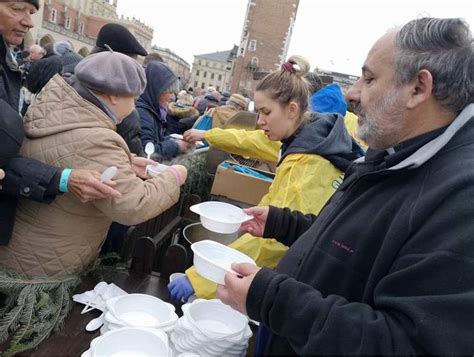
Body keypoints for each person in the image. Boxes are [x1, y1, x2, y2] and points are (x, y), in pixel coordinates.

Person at [217, 17, 474, 355]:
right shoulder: (390, 155)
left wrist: (273, 299)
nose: (351, 93)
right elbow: (351, 245)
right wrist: (283, 224)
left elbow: (408, 344)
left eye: (368, 78)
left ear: (418, 89)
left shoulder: (461, 200)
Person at [171, 56, 364, 301]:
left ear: (292, 109)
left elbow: (274, 244)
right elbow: (252, 140)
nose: (259, 121)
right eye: (258, 111)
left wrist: (201, 279)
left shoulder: (308, 164)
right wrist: (208, 135)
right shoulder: (307, 136)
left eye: (266, 112)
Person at [0, 50, 188, 278]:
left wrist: (126, 161)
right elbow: (132, 205)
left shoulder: (53, 109)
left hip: (24, 248)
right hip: (48, 264)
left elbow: (65, 151)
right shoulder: (98, 139)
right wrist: (175, 176)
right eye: (134, 99)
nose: (133, 107)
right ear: (114, 96)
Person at [0, 1, 120, 245]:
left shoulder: (6, 63)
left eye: (31, 12)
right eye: (16, 8)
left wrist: (61, 178)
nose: (29, 21)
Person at [137, 61, 191, 160]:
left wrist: (172, 140)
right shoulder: (143, 113)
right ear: (157, 91)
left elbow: (154, 140)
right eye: (169, 92)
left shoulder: (152, 110)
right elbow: (147, 152)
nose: (172, 97)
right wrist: (176, 146)